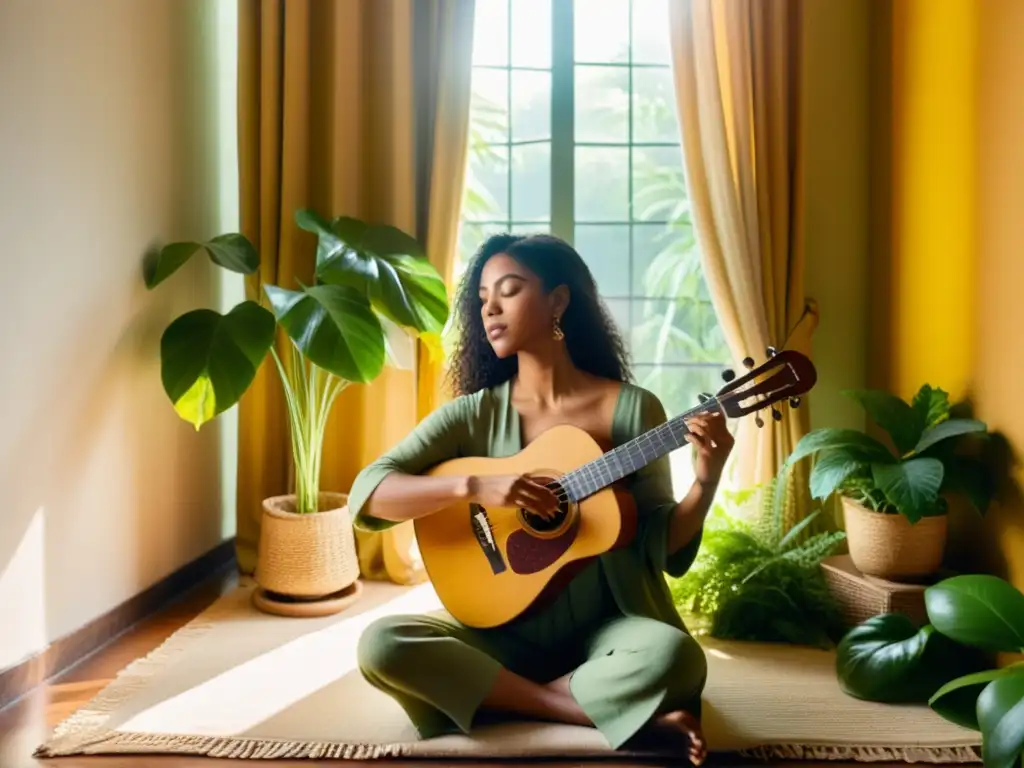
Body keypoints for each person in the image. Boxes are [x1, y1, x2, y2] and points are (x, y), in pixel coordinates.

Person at [349, 233, 733, 764]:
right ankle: (580, 709)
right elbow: (369, 493)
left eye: (508, 290)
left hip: (611, 630)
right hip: (503, 632)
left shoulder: (632, 411)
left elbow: (662, 546)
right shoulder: (474, 415)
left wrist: (706, 479)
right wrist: (474, 486)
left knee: (675, 656)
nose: (490, 308)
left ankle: (501, 699)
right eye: (482, 296)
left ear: (558, 300)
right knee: (382, 645)